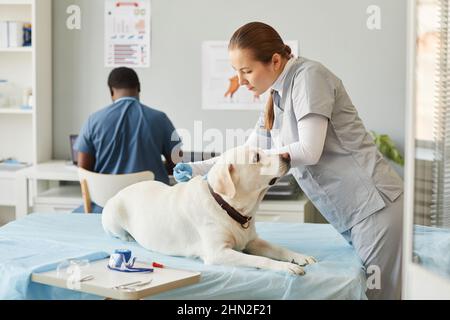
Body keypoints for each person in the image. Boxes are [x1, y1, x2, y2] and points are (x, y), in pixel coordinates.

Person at [174, 22, 403, 300]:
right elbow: (248, 150)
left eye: (246, 71)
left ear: (275, 60)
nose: (241, 80)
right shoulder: (274, 96)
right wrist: (198, 169)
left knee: (381, 295)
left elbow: (309, 150)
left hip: (373, 205)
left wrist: (255, 164)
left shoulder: (309, 77)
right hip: (352, 212)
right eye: (236, 72)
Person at [74, 67, 183, 213]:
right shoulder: (159, 119)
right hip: (151, 209)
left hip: (106, 209)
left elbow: (84, 171)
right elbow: (179, 166)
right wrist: (155, 165)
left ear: (111, 92)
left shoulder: (93, 121)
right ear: (138, 88)